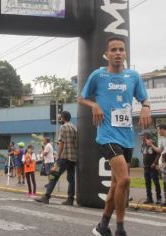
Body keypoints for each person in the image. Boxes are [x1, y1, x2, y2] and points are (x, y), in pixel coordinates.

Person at [78, 36, 151, 236]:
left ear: (125, 53)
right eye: (113, 50)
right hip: (107, 135)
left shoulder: (133, 77)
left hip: (126, 136)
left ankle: (102, 226)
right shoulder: (98, 76)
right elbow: (81, 97)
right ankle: (120, 229)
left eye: (121, 50)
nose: (118, 53)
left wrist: (145, 107)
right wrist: (94, 105)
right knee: (125, 180)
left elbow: (144, 98)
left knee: (116, 184)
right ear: (107, 54)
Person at [35, 110, 77, 206]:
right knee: (71, 178)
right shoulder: (74, 127)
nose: (60, 119)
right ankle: (70, 199)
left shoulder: (63, 127)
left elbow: (62, 143)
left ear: (63, 118)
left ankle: (46, 197)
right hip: (73, 157)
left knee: (54, 175)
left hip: (65, 156)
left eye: (60, 117)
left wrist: (58, 157)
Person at [145, 123, 166, 207]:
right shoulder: (162, 139)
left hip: (164, 162)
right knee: (165, 182)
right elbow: (159, 151)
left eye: (158, 130)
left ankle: (160, 198)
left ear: (162, 129)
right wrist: (151, 145)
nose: (158, 132)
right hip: (164, 163)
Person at [139, 130, 161, 204]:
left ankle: (159, 198)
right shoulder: (143, 144)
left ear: (146, 136)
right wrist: (143, 162)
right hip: (146, 167)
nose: (140, 136)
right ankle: (149, 198)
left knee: (156, 183)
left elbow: (159, 153)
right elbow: (144, 154)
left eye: (142, 135)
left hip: (153, 167)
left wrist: (155, 163)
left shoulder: (153, 142)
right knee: (147, 183)